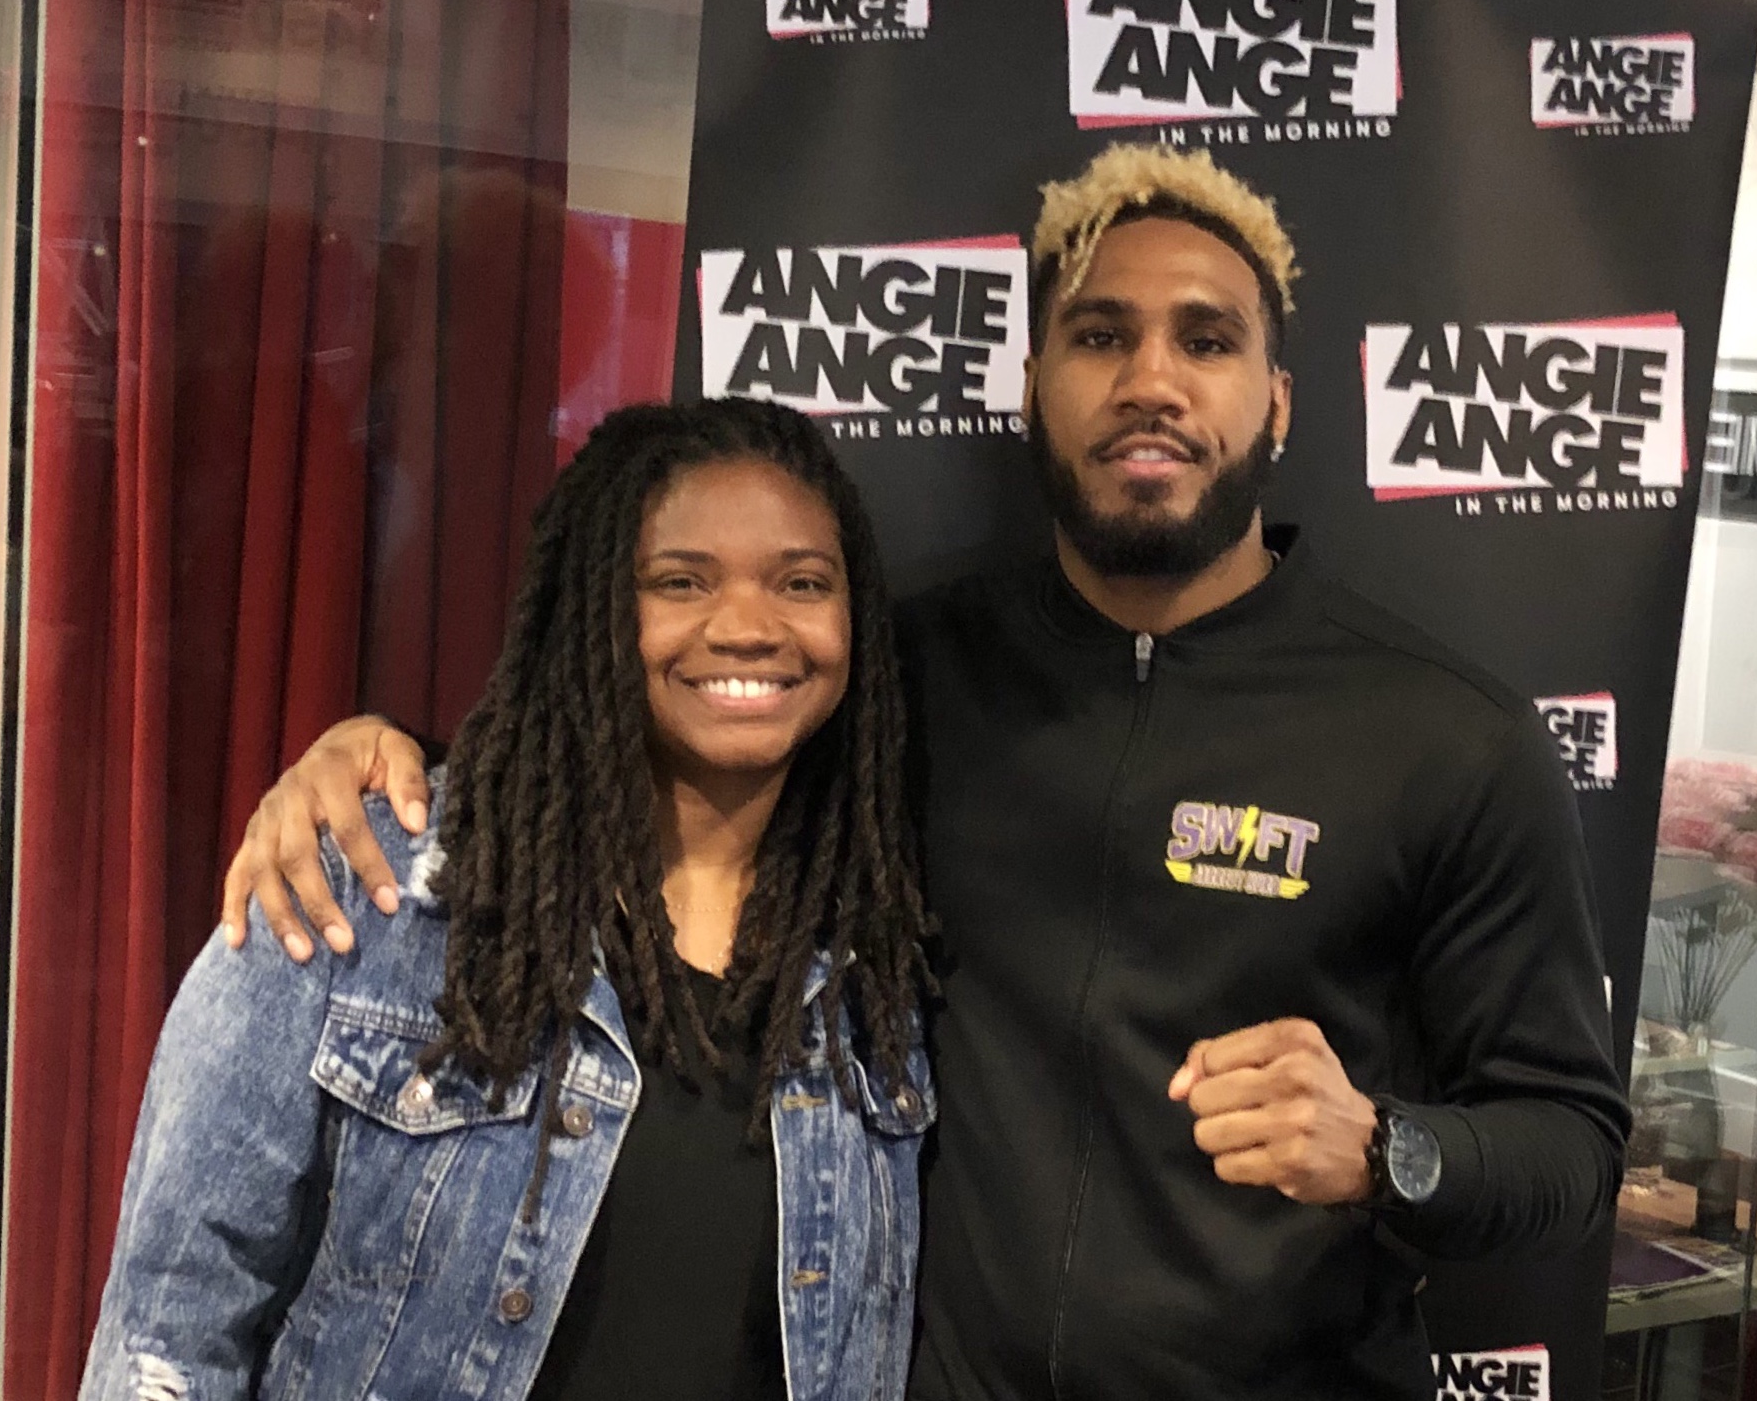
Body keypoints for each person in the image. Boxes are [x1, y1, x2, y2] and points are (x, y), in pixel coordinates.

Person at [221, 144, 1630, 1400]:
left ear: (1274, 400)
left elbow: (1570, 1143)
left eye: (1204, 341)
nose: (1149, 379)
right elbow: (625, 740)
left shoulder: (1450, 735)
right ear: (1032, 385)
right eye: (1099, 335)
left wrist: (1390, 1149)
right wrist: (386, 757)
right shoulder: (895, 675)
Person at [83, 399, 934, 1401]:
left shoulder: (874, 970)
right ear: (591, 607)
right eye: (679, 581)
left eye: (800, 582)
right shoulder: (369, 885)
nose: (747, 626)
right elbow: (171, 1326)